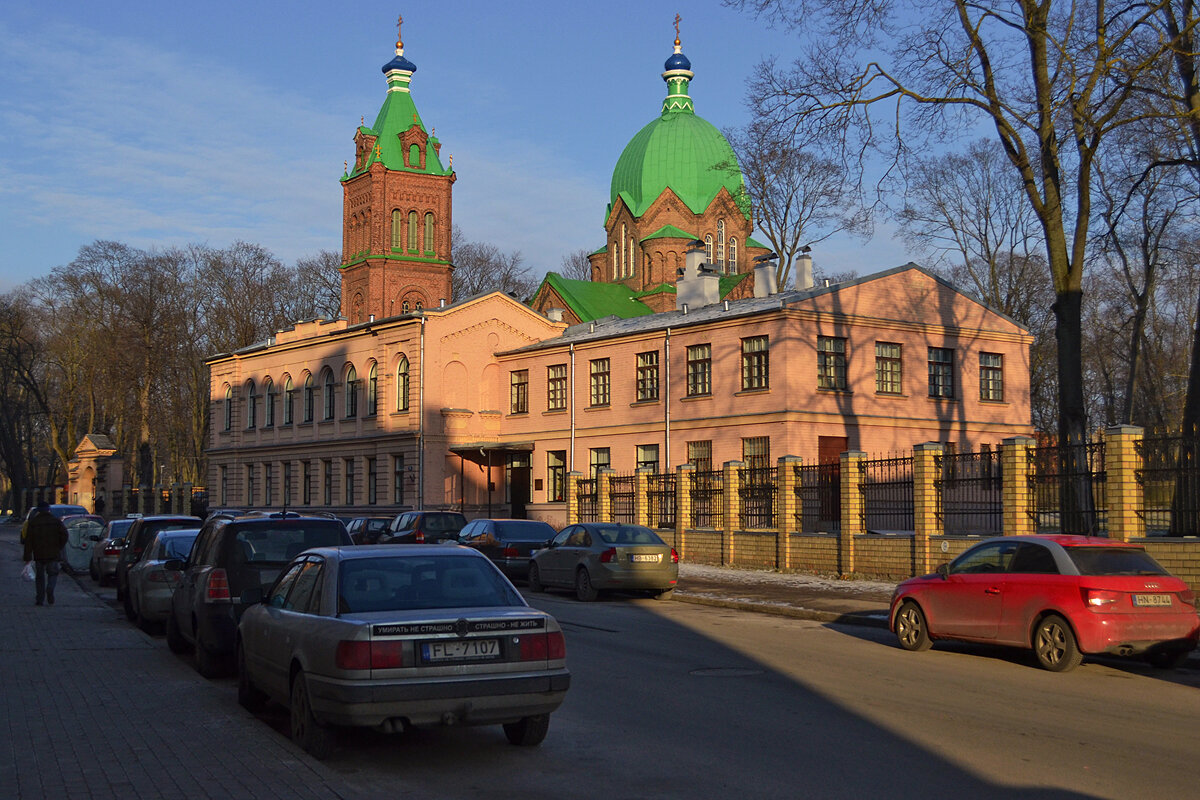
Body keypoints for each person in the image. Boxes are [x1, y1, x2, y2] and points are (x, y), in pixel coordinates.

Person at [23, 500, 68, 606]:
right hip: (53, 554)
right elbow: (65, 535)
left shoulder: (33, 523)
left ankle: (40, 599)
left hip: (39, 555)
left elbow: (28, 541)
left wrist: (27, 556)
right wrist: (59, 546)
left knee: (40, 577)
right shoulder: (56, 521)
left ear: (38, 510)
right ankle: (50, 588)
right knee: (53, 574)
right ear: (48, 509)